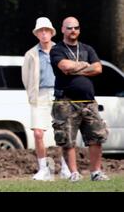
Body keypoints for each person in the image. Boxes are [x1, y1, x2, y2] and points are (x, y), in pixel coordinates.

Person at [50, 16, 109, 182]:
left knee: (96, 137)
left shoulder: (87, 49)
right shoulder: (57, 49)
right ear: (62, 29)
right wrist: (86, 66)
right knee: (67, 139)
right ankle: (74, 174)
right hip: (66, 102)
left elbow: (98, 68)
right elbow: (64, 66)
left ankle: (96, 172)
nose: (73, 30)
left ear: (79, 29)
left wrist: (76, 68)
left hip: (89, 102)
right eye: (69, 28)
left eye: (76, 27)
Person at [22, 17, 71, 181]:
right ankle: (43, 169)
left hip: (60, 95)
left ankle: (66, 168)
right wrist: (31, 95)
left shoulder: (62, 50)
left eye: (46, 30)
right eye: (40, 31)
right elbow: (26, 78)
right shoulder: (31, 54)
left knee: (64, 132)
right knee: (37, 133)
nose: (44, 34)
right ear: (37, 34)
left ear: (51, 32)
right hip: (40, 95)